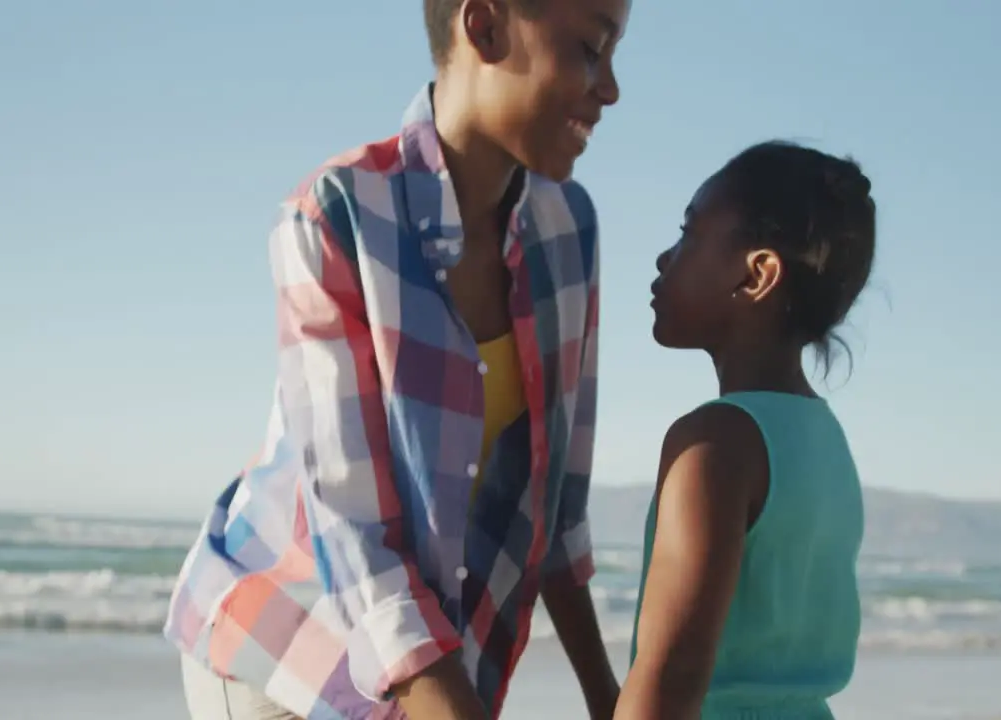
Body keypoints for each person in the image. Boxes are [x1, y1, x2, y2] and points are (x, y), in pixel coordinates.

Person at [166, 1, 629, 718]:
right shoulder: (336, 214)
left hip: (439, 667)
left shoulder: (570, 227)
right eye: (592, 50)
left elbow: (557, 511)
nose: (612, 89)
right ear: (485, 27)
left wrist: (611, 700)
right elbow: (358, 541)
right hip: (289, 656)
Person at [616, 141, 876, 720]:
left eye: (688, 234)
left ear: (757, 274)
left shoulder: (715, 443)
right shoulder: (825, 440)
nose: (665, 257)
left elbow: (672, 678)